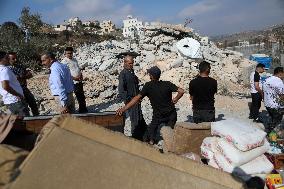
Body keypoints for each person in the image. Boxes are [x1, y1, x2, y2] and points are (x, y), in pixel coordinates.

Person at [117, 66, 184, 144]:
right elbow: (181, 91)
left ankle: (152, 142)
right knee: (170, 133)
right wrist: (176, 99)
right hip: (171, 114)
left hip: (158, 115)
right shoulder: (167, 84)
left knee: (150, 134)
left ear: (151, 76)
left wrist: (124, 109)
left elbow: (136, 99)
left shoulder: (148, 86)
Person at [118, 55, 147, 140]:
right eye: (130, 63)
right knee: (135, 120)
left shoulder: (131, 71)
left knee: (140, 118)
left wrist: (138, 96)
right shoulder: (123, 74)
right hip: (131, 101)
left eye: (132, 63)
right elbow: (121, 90)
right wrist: (128, 100)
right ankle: (136, 138)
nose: (131, 65)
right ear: (125, 62)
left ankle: (145, 136)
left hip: (136, 99)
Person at [8, 52, 39, 116]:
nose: (15, 60)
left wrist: (22, 77)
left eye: (16, 58)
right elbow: (15, 79)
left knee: (33, 104)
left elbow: (30, 75)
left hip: (24, 88)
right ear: (8, 59)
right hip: (16, 91)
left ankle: (36, 118)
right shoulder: (7, 69)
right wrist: (21, 77)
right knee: (23, 108)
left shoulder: (20, 66)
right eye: (13, 59)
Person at [0, 51, 29, 116]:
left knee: (18, 123)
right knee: (25, 122)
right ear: (2, 59)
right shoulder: (4, 69)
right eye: (7, 57)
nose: (8, 59)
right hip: (15, 101)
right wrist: (18, 95)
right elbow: (5, 86)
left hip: (9, 101)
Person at [61, 47, 88, 113]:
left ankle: (83, 110)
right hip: (72, 82)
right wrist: (74, 78)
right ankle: (72, 111)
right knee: (73, 97)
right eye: (68, 53)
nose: (70, 54)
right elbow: (65, 74)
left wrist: (81, 75)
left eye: (71, 53)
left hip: (79, 80)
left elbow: (78, 68)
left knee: (81, 96)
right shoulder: (64, 62)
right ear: (65, 53)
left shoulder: (75, 60)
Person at [263, 67, 284, 133]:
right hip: (276, 106)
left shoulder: (267, 80)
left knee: (273, 119)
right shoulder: (279, 82)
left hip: (267, 104)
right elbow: (282, 96)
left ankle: (269, 131)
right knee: (277, 122)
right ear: (280, 73)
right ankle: (272, 136)